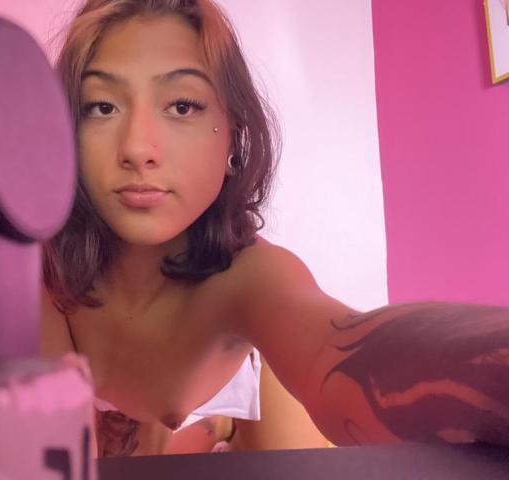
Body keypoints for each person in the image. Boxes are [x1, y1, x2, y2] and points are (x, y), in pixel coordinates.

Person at [40, 0, 509, 457]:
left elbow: (339, 345)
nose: (138, 148)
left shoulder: (253, 277)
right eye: (102, 107)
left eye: (182, 106)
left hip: (259, 382)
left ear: (234, 135)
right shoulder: (46, 276)